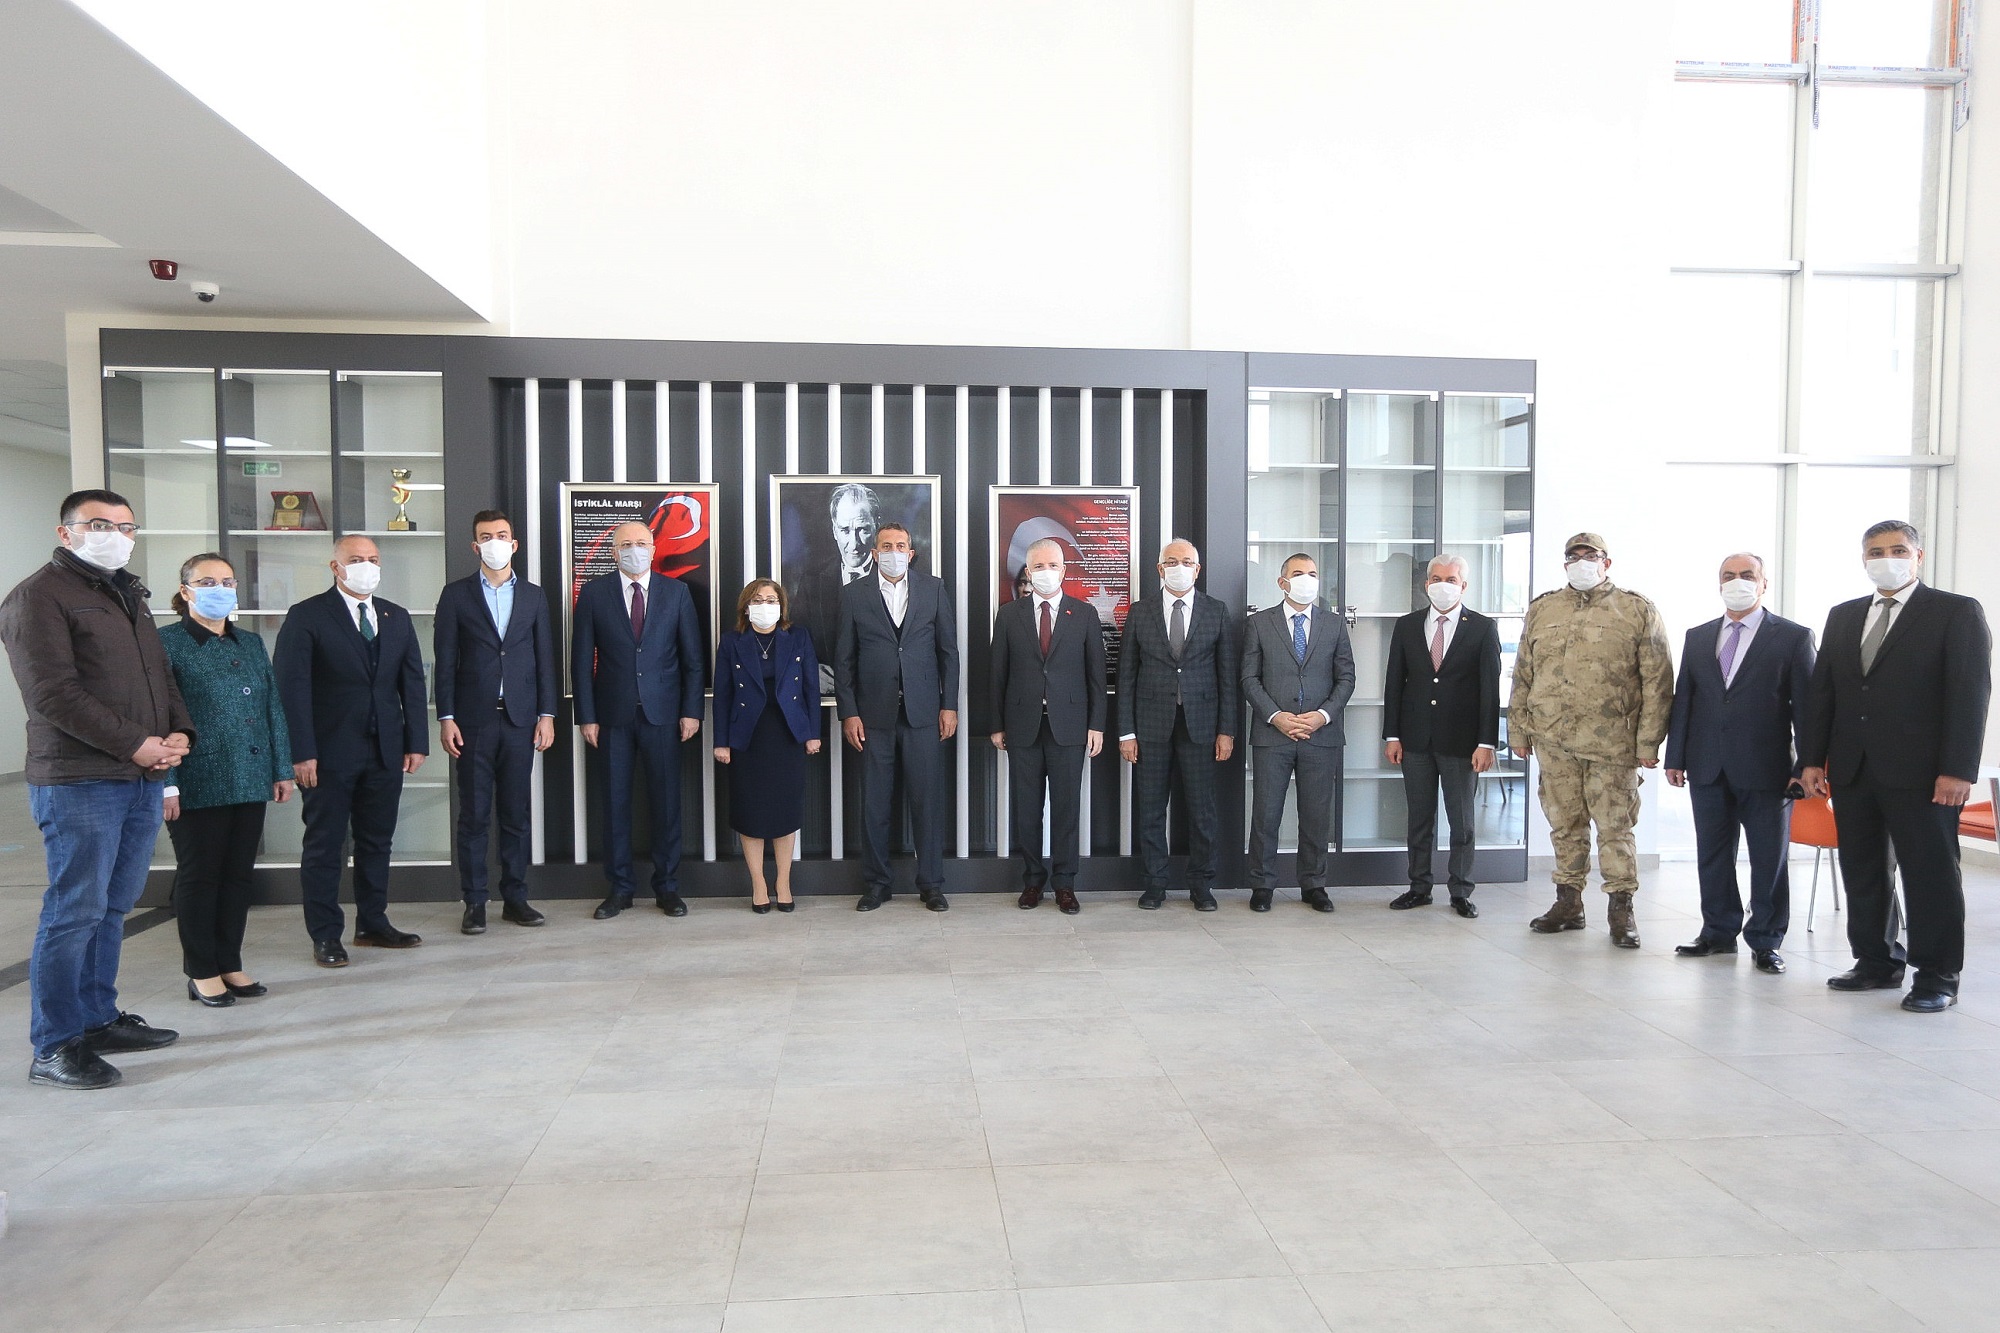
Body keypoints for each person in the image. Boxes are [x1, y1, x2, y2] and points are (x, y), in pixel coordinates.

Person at [0, 489, 188, 1088]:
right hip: (79, 779)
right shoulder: (38, 596)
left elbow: (159, 675)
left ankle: (97, 1018)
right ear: (66, 533)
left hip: (139, 776)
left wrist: (177, 732)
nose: (116, 535)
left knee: (112, 905)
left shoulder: (126, 593)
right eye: (100, 524)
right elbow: (51, 693)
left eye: (126, 526)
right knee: (74, 910)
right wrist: (136, 743)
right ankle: (55, 1044)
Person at [1800, 521, 1992, 1012]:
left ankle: (1937, 976)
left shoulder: (1954, 612)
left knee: (1930, 875)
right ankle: (1877, 961)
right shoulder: (1844, 615)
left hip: (1926, 775)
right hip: (1853, 768)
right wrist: (1811, 760)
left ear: (1918, 556)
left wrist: (1958, 770)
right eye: (1876, 551)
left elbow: (1969, 695)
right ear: (1864, 559)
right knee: (1864, 870)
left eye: (1898, 549)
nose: (1887, 558)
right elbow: (1824, 693)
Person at [273, 535, 431, 968]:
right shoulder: (307, 615)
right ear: (335, 567)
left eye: (373, 559)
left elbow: (412, 684)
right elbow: (292, 688)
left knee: (377, 841)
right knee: (325, 845)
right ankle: (326, 935)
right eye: (356, 559)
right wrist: (300, 751)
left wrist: (417, 742)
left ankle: (373, 923)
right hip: (327, 753)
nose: (367, 566)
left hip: (385, 750)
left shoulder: (395, 616)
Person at [1509, 532, 1673, 948]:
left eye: (1591, 555)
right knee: (1564, 824)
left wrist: (1648, 743)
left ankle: (1621, 908)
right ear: (1565, 563)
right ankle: (1568, 902)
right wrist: (1518, 731)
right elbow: (1523, 674)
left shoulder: (1635, 610)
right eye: (1574, 556)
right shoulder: (1543, 609)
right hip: (1553, 739)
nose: (1582, 562)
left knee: (1616, 827)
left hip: (1612, 744)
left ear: (1606, 562)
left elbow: (1657, 682)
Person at [1665, 552, 1816, 975]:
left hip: (1768, 769)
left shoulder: (1793, 637)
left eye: (1747, 575)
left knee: (1769, 859)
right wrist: (1676, 756)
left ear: (1764, 583)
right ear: (1719, 584)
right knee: (1713, 853)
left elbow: (1808, 708)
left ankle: (1766, 940)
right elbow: (1685, 699)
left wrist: (1806, 765)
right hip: (1706, 765)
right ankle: (1717, 931)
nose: (1737, 582)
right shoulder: (1698, 636)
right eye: (1728, 575)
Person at [159, 554, 294, 1006]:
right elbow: (158, 717)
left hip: (250, 774)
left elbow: (272, 707)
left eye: (227, 581)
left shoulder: (249, 643)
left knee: (237, 876)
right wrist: (167, 781)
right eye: (207, 582)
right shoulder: (166, 643)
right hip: (197, 778)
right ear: (185, 591)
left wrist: (281, 768)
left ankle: (229, 962)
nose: (219, 589)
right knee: (200, 876)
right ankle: (201, 971)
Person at [572, 519, 704, 919]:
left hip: (664, 715)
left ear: (653, 548)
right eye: (626, 544)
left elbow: (693, 660)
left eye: (642, 543)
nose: (635, 550)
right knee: (614, 805)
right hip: (611, 716)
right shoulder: (594, 594)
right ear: (614, 552)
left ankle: (668, 888)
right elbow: (581, 661)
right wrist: (586, 716)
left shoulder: (676, 593)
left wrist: (691, 711)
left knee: (666, 804)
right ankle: (620, 889)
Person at [435, 510, 557, 935]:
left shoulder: (534, 596)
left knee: (516, 814)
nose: (495, 542)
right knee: (473, 816)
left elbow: (545, 659)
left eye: (502, 535)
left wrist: (547, 715)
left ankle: (516, 898)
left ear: (514, 544)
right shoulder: (456, 595)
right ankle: (474, 901)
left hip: (521, 721)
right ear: (475, 546)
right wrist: (446, 717)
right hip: (472, 722)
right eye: (486, 536)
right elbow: (445, 660)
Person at [835, 521, 960, 911]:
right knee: (875, 804)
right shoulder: (854, 594)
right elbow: (844, 660)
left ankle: (932, 884)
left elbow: (949, 653)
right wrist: (849, 713)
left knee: (927, 802)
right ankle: (877, 884)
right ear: (875, 553)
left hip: (924, 714)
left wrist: (950, 705)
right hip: (873, 717)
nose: (893, 552)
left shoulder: (933, 589)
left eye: (900, 546)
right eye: (886, 546)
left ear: (911, 552)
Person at [1117, 539, 1239, 911]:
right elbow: (1126, 676)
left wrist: (1227, 730)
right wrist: (1126, 731)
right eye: (1172, 561)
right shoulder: (1140, 612)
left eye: (1187, 561)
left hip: (1201, 727)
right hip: (1150, 727)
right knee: (1151, 809)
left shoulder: (1216, 611)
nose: (1179, 567)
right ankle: (1155, 884)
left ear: (1197, 570)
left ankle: (1202, 885)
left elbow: (1227, 677)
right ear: (1160, 569)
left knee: (1202, 812)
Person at [990, 538, 1106, 913]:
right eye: (1038, 567)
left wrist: (1097, 725)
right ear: (1028, 571)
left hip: (1069, 728)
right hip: (1022, 727)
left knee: (1066, 810)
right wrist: (996, 724)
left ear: (1064, 570)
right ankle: (1032, 882)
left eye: (1052, 565)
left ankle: (1065, 884)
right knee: (1027, 810)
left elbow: (1096, 677)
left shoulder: (1084, 614)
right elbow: (997, 674)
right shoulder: (1009, 615)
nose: (1046, 572)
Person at [1241, 552, 1352, 912]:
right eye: (1299, 573)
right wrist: (1276, 716)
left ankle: (1314, 885)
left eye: (1313, 573)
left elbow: (1346, 678)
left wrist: (1323, 715)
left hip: (1321, 735)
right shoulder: (1259, 623)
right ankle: (1262, 885)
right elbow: (1249, 678)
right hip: (1273, 735)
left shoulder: (1334, 624)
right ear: (1282, 582)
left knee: (1316, 816)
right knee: (1266, 814)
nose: (1308, 579)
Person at [714, 579, 823, 911]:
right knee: (750, 812)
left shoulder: (798, 637)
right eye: (758, 599)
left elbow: (811, 688)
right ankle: (759, 884)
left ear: (782, 605)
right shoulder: (732, 642)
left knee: (785, 811)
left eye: (772, 599)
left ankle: (783, 882)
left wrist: (812, 733)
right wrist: (721, 742)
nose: (765, 605)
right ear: (747, 607)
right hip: (747, 737)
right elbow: (723, 695)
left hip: (787, 734)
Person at [794, 482, 882, 695]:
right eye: (844, 530)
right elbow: (793, 641)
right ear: (834, 530)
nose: (854, 543)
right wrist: (808, 668)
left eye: (862, 529)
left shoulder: (896, 581)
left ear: (876, 527)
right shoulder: (812, 582)